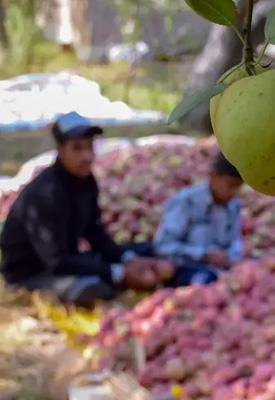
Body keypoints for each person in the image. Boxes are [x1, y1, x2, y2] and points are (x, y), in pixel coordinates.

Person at [0, 112, 174, 307]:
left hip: (68, 260)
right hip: (34, 273)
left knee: (147, 251)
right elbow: (56, 261)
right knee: (91, 288)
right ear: (60, 150)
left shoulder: (86, 181)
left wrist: (129, 260)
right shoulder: (46, 194)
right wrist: (117, 272)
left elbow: (95, 233)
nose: (86, 156)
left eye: (90, 147)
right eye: (77, 149)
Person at [154, 152, 245, 282]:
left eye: (238, 187)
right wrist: (204, 254)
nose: (234, 192)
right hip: (186, 267)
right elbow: (163, 246)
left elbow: (235, 242)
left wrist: (230, 257)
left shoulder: (233, 206)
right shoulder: (187, 201)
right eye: (230, 185)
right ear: (213, 176)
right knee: (205, 280)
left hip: (220, 269)